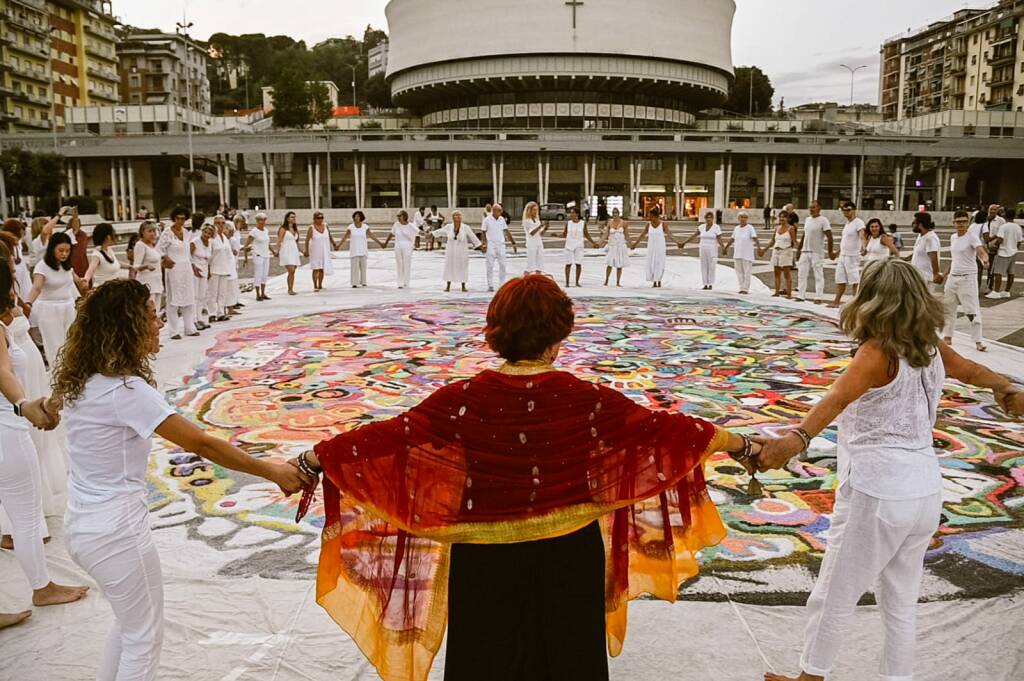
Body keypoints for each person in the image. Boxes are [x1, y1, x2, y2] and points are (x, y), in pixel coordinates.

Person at [293, 274, 763, 681]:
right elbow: (669, 430)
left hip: (485, 562)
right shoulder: (587, 399)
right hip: (569, 556)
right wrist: (743, 445)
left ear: (496, 334)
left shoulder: (463, 400)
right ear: (559, 336)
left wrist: (310, 462)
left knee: (486, 662)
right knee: (567, 660)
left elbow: (385, 438)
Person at [759, 259, 1024, 681]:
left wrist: (796, 440)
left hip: (878, 492)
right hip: (923, 492)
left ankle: (810, 677)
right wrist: (1006, 387)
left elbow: (835, 400)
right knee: (900, 601)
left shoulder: (878, 350)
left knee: (835, 592)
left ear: (870, 299)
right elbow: (973, 372)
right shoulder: (930, 346)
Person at [50, 279, 312, 681]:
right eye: (151, 317)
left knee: (129, 625)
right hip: (114, 532)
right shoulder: (126, 390)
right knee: (143, 636)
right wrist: (272, 471)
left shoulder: (85, 382)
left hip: (86, 526)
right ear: (128, 327)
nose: (159, 324)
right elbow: (203, 444)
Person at [0, 255, 90, 611]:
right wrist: (24, 405)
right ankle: (42, 587)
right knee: (25, 514)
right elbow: (3, 373)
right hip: (6, 429)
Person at [24, 232, 85, 365]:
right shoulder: (42, 266)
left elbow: (77, 281)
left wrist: (83, 284)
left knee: (71, 343)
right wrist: (28, 303)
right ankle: (56, 376)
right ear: (52, 249)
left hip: (68, 308)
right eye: (61, 250)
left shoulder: (67, 266)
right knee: (55, 346)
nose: (64, 254)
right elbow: (36, 287)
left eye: (67, 251)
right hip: (49, 309)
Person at [942, 210, 990, 352]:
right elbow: (954, 259)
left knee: (972, 310)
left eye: (964, 221)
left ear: (968, 222)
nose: (961, 224)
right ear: (954, 223)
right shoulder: (953, 238)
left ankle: (978, 341)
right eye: (958, 221)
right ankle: (948, 336)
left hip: (968, 278)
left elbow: (980, 250)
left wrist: (985, 260)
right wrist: (945, 274)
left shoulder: (972, 236)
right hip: (953, 278)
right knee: (949, 309)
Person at [156, 207, 199, 341]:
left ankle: (189, 327)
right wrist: (164, 257)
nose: (180, 221)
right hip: (174, 269)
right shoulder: (167, 233)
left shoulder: (186, 232)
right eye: (178, 218)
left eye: (183, 218)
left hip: (186, 268)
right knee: (173, 300)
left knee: (189, 298)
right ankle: (173, 330)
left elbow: (188, 253)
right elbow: (158, 249)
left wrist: (193, 266)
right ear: (174, 218)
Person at [432, 210, 481, 292]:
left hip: (462, 252)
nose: (459, 217)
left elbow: (473, 238)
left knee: (463, 268)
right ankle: (448, 286)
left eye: (460, 215)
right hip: (451, 252)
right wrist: (431, 234)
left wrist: (479, 245)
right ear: (453, 218)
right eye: (456, 215)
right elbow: (439, 231)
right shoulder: (448, 227)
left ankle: (463, 286)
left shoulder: (465, 227)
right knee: (449, 267)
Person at [796, 202, 834, 303]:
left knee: (818, 275)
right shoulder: (807, 220)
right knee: (802, 274)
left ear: (819, 208)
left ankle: (818, 297)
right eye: (810, 207)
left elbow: (830, 237)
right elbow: (804, 235)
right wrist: (799, 249)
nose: (811, 209)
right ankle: (800, 295)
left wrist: (830, 252)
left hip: (816, 252)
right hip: (805, 251)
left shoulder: (823, 220)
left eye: (813, 207)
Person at [830, 202, 866, 308]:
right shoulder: (847, 224)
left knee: (854, 280)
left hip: (852, 256)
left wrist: (864, 247)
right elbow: (844, 241)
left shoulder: (858, 222)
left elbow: (862, 236)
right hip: (843, 255)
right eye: (844, 210)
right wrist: (837, 253)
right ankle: (836, 301)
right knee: (840, 278)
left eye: (848, 210)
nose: (846, 212)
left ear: (854, 210)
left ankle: (856, 302)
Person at [633, 207, 680, 288]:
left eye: (650, 216)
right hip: (651, 247)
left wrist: (677, 243)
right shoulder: (648, 225)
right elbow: (642, 235)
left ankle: (658, 280)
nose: (649, 218)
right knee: (651, 262)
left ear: (655, 216)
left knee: (659, 262)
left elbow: (670, 235)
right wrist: (635, 244)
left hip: (660, 246)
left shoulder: (663, 224)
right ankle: (654, 280)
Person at [337, 211, 385, 289]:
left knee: (363, 267)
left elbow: (372, 236)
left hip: (363, 250)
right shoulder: (351, 227)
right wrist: (338, 245)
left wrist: (380, 243)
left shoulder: (365, 227)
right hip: (354, 250)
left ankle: (363, 282)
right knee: (354, 267)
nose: (356, 218)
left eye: (358, 216)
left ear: (361, 218)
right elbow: (345, 237)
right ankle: (354, 283)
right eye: (355, 216)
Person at [680, 211, 724, 290]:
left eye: (710, 218)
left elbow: (719, 239)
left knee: (711, 266)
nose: (709, 219)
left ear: (713, 219)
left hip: (712, 249)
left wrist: (723, 248)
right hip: (703, 248)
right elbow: (694, 235)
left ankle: (710, 283)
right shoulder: (701, 227)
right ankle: (705, 283)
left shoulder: (716, 227)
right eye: (707, 218)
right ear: (705, 219)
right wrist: (684, 242)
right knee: (703, 266)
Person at [760, 212, 798, 298]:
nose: (782, 219)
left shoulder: (791, 228)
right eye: (780, 217)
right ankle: (776, 292)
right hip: (776, 252)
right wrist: (764, 250)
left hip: (786, 251)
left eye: (784, 217)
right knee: (776, 273)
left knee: (786, 273)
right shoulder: (777, 228)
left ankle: (789, 293)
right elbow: (773, 241)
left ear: (788, 218)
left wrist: (801, 249)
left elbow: (794, 241)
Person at [482, 204, 519, 291]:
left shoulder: (502, 219)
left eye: (501, 211)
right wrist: (484, 244)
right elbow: (483, 232)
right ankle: (490, 285)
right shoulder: (487, 220)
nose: (501, 212)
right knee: (490, 265)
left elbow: (506, 231)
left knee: (503, 265)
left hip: (501, 244)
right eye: (499, 211)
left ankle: (502, 284)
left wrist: (513, 242)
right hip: (491, 244)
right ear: (494, 210)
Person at [722, 211, 760, 295]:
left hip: (747, 254)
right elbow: (732, 239)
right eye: (741, 217)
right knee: (739, 272)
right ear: (738, 218)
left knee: (747, 272)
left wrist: (759, 249)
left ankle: (745, 288)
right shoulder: (736, 228)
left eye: (745, 217)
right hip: (737, 253)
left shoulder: (750, 228)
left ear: (747, 219)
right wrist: (726, 247)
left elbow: (755, 238)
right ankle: (741, 287)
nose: (743, 219)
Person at [243, 213, 277, 301]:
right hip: (258, 255)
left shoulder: (266, 230)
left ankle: (263, 293)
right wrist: (245, 258)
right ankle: (258, 294)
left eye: (264, 220)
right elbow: (246, 246)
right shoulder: (253, 232)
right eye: (260, 220)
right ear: (257, 221)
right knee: (258, 274)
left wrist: (273, 251)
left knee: (264, 274)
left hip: (266, 255)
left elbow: (267, 243)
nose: (262, 222)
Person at [84, 223, 129, 289]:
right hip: (102, 291)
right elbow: (90, 269)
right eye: (113, 234)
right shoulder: (97, 254)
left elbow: (116, 262)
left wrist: (130, 266)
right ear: (108, 237)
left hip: (112, 289)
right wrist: (86, 280)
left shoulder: (109, 250)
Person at [383, 210, 420, 289]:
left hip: (407, 247)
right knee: (399, 264)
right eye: (398, 216)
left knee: (407, 264)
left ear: (404, 216)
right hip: (398, 246)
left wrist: (427, 234)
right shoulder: (396, 225)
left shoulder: (410, 225)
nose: (398, 218)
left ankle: (406, 282)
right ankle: (400, 282)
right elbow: (391, 234)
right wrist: (386, 243)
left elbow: (418, 232)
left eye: (400, 216)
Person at [909, 212, 943, 294]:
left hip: (926, 279)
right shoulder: (921, 236)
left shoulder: (930, 238)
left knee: (924, 304)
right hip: (918, 277)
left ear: (920, 224)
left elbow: (933, 258)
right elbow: (918, 253)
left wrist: (936, 275)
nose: (912, 225)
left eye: (914, 223)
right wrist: (905, 259)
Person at [208, 217, 235, 322]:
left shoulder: (224, 237)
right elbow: (208, 254)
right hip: (214, 268)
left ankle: (220, 313)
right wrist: (208, 268)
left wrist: (229, 268)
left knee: (222, 292)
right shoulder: (211, 238)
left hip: (224, 268)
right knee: (213, 293)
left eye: (223, 223)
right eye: (218, 223)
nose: (220, 225)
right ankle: (212, 313)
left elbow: (229, 254)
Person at [131, 222, 163, 311]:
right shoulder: (140, 245)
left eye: (154, 231)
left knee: (156, 311)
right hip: (147, 284)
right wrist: (146, 266)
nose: (153, 233)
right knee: (149, 312)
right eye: (149, 231)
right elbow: (135, 266)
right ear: (142, 232)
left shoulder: (152, 244)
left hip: (157, 282)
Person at [987, 216, 1021, 299]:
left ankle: (996, 292)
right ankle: (1007, 291)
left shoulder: (1003, 226)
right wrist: (1014, 248)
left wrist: (995, 245)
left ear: (1005, 216)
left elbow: (1000, 239)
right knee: (1011, 273)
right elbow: (1019, 241)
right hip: (1013, 252)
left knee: (998, 272)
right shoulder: (1018, 227)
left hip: (1003, 252)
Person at [304, 211, 338, 292]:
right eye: (318, 218)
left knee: (322, 268)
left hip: (324, 250)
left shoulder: (326, 225)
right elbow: (307, 240)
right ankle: (315, 285)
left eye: (322, 218)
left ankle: (320, 285)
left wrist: (334, 244)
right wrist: (306, 250)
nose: (320, 219)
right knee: (316, 268)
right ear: (314, 219)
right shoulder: (311, 227)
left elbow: (329, 235)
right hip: (315, 251)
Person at [189, 224, 214, 330]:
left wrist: (208, 270)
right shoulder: (195, 241)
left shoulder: (210, 243)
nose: (207, 235)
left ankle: (200, 318)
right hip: (195, 269)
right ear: (202, 231)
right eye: (205, 232)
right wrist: (193, 268)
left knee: (201, 296)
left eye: (209, 233)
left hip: (204, 268)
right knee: (194, 296)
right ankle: (193, 320)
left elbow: (208, 258)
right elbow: (188, 256)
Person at [601, 207, 630, 287]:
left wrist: (631, 244)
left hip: (620, 245)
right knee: (609, 263)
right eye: (613, 213)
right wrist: (599, 242)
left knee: (619, 263)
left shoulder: (624, 223)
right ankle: (606, 280)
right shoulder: (610, 223)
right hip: (612, 245)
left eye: (616, 212)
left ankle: (618, 282)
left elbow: (627, 235)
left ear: (619, 213)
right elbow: (606, 234)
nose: (615, 214)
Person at [277, 211, 302, 295]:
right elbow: (279, 241)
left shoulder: (295, 229)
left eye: (294, 217)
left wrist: (303, 251)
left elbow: (297, 243)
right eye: (292, 217)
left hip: (294, 252)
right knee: (291, 270)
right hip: (286, 252)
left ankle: (291, 289)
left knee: (293, 271)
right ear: (287, 219)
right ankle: (289, 290)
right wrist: (277, 251)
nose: (294, 218)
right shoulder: (283, 229)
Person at [522, 202, 548, 274]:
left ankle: (538, 277)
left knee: (540, 262)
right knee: (530, 263)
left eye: (536, 210)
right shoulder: (526, 221)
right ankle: (526, 278)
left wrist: (545, 228)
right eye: (533, 210)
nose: (535, 212)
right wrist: (540, 226)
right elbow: (532, 233)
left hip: (538, 242)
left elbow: (540, 233)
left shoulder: (537, 220)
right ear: (529, 210)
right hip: (531, 243)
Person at [64, 207, 90, 278]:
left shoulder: (83, 235)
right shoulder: (66, 235)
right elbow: (74, 229)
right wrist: (75, 217)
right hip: (72, 264)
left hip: (83, 263)